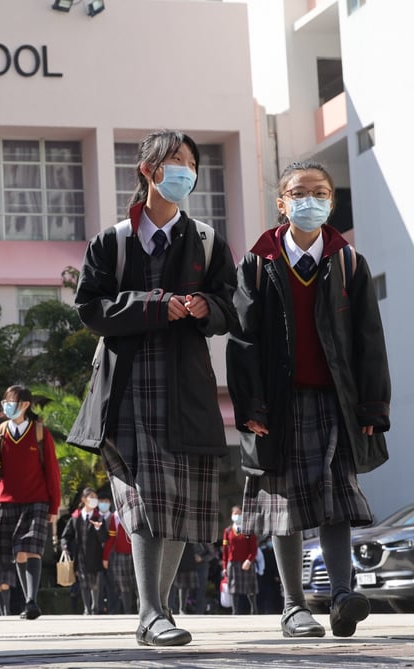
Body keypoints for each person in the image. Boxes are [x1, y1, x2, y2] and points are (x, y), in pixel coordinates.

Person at [67, 130, 236, 646]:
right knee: (144, 498)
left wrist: (210, 309)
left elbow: (232, 306)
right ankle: (151, 611)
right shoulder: (113, 241)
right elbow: (89, 309)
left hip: (187, 387)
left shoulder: (207, 241)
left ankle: (154, 612)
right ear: (148, 170)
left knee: (179, 504)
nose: (184, 170)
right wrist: (153, 304)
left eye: (190, 163)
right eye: (174, 161)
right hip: (128, 386)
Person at [227, 160, 390, 638]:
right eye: (299, 192)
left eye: (320, 192)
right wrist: (251, 407)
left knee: (336, 499)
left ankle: (342, 595)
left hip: (335, 400)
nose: (310, 200)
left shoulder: (348, 262)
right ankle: (294, 607)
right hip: (277, 404)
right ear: (282, 204)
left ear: (331, 202)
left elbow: (369, 340)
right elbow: (242, 340)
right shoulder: (258, 263)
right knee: (285, 507)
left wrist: (372, 407)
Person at [0, 385, 62, 621]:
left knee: (32, 549)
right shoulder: (0, 432)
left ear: (25, 405)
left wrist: (54, 506)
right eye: (5, 401)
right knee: (18, 553)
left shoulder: (40, 432)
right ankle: (28, 599)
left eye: (12, 402)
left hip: (37, 500)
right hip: (7, 501)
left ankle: (31, 601)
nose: (7, 406)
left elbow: (52, 472)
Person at [62, 488, 107, 615]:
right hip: (80, 556)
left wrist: (99, 529)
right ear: (83, 499)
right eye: (91, 497)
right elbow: (66, 535)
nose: (94, 500)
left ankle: (95, 608)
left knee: (95, 583)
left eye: (95, 497)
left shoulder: (99, 517)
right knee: (83, 583)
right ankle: (87, 608)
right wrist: (64, 546)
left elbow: (105, 538)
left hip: (95, 555)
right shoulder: (76, 517)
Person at [222, 506, 259, 615]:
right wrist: (224, 566)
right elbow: (225, 550)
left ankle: (254, 610)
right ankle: (235, 612)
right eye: (235, 513)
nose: (237, 516)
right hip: (232, 563)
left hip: (246, 563)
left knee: (250, 588)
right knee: (234, 588)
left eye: (239, 513)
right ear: (231, 515)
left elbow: (254, 548)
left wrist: (249, 560)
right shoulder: (227, 531)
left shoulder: (249, 530)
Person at [102, 508, 136, 615]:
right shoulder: (115, 516)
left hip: (138, 555)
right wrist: (105, 557)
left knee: (140, 586)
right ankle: (127, 612)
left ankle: (143, 613)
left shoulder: (137, 512)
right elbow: (111, 538)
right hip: (121, 555)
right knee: (124, 586)